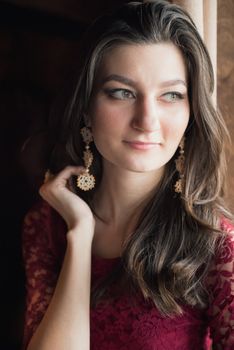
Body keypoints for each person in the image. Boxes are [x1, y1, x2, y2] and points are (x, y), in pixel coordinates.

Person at [22, 1, 234, 349]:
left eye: (171, 95)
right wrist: (80, 235)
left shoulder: (216, 245)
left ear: (191, 111)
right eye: (122, 92)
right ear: (87, 108)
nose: (147, 120)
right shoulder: (46, 227)